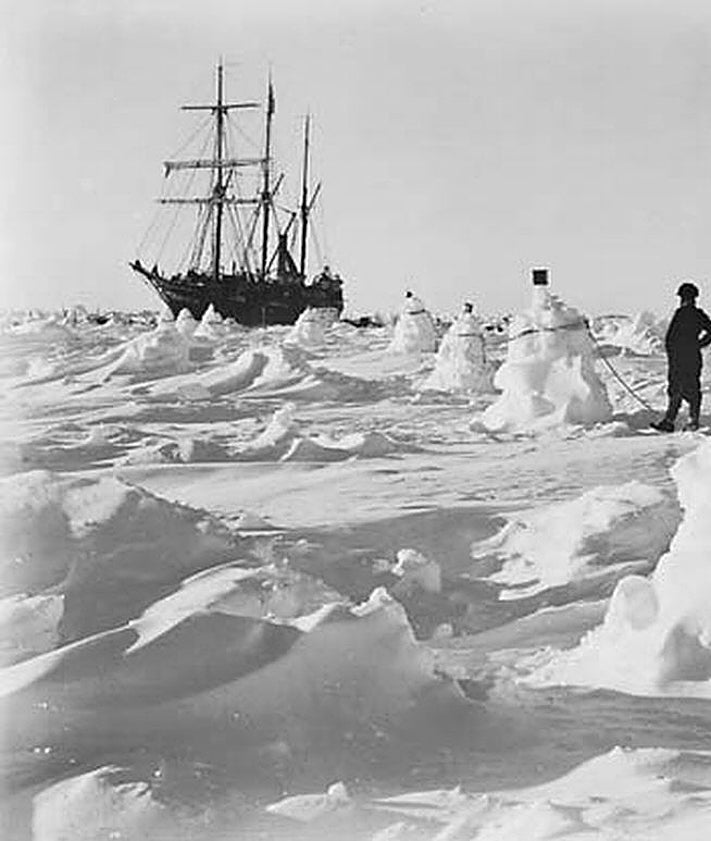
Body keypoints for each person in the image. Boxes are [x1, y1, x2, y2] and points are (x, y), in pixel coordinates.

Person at [651, 282, 711, 432]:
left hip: (680, 358)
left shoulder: (682, 314)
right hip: (689, 357)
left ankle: (677, 421)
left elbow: (670, 339)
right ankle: (684, 421)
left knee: (680, 388)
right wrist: (699, 344)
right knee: (686, 387)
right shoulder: (698, 315)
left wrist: (697, 345)